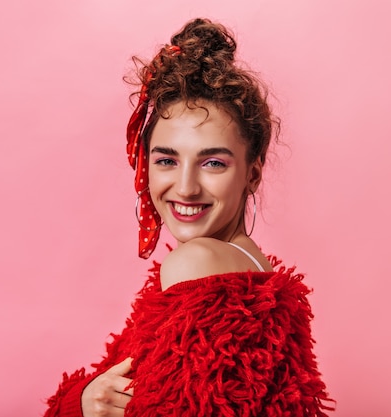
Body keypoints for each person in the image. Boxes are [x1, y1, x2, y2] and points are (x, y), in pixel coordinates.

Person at [43, 18, 333, 417]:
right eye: (166, 160)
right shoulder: (246, 267)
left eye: (213, 162)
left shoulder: (198, 263)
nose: (185, 188)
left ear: (252, 172)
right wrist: (88, 400)